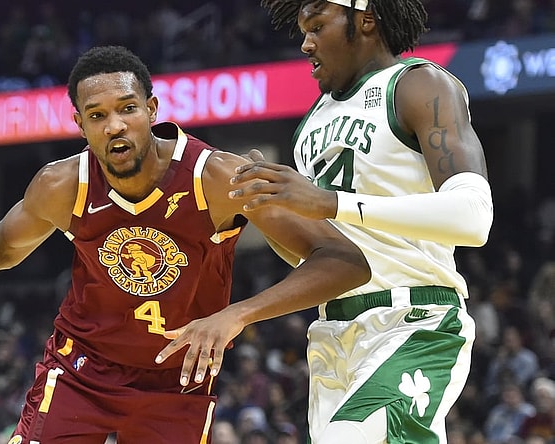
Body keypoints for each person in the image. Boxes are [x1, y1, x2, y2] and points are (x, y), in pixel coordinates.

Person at [0, 44, 371, 443]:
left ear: (151, 109)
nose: (114, 126)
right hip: (82, 370)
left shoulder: (217, 177)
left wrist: (237, 315)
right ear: (79, 124)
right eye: (97, 115)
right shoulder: (61, 184)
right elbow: (1, 244)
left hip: (178, 379)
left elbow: (343, 260)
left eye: (127, 109)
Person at [195, 0, 494, 442]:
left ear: (365, 20)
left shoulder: (417, 84)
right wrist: (264, 207)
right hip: (333, 335)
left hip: (412, 320)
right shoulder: (311, 125)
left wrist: (330, 203)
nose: (305, 43)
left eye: (317, 26)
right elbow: (313, 255)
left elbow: (474, 218)